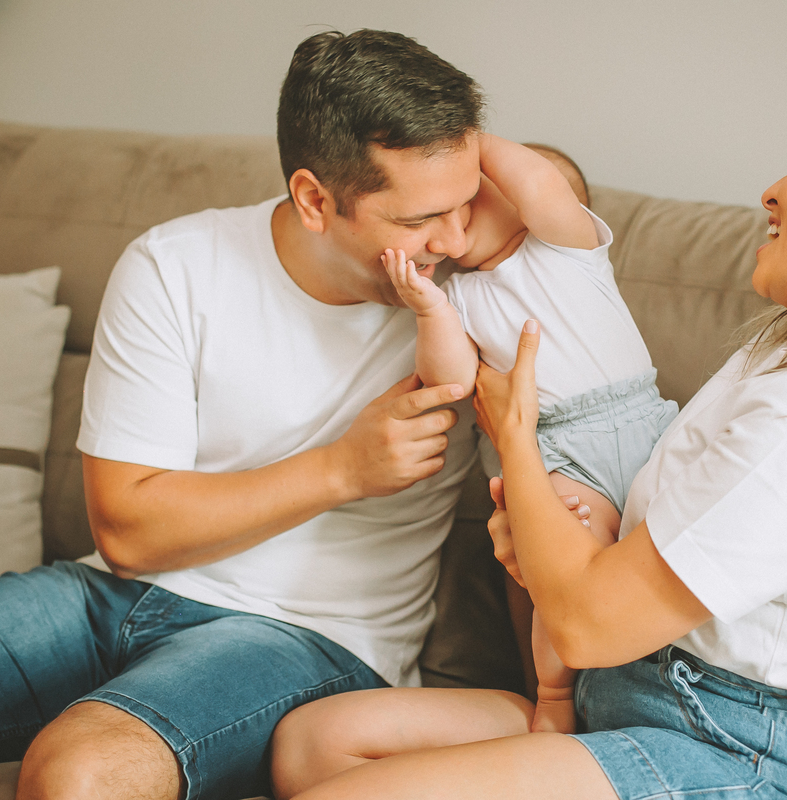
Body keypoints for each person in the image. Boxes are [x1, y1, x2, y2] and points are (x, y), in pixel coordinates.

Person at [274, 82, 787, 800]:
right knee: (312, 747)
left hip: (750, 750)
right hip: (639, 696)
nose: (772, 190)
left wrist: (515, 436)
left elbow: (589, 623)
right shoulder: (785, 350)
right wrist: (545, 540)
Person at [0, 29, 486, 800]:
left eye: (467, 202)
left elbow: (565, 202)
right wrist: (341, 469)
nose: (457, 240)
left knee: (81, 773)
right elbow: (129, 533)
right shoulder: (175, 267)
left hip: (310, 634)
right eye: (418, 221)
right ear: (313, 199)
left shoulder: (482, 294)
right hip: (112, 591)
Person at [268, 135, 675, 797]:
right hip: (548, 450)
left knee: (605, 562)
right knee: (559, 564)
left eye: (473, 194)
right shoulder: (455, 293)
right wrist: (429, 307)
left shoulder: (569, 252)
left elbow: (542, 184)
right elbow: (453, 379)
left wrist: (462, 136)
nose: (453, 222)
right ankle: (552, 699)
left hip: (633, 425)